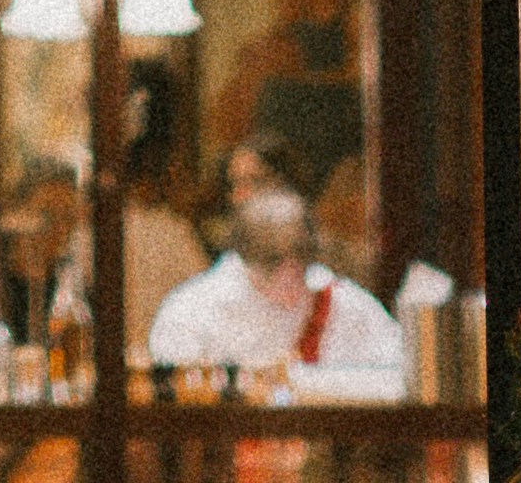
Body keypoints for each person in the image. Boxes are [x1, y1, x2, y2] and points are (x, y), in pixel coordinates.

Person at [145, 165, 407, 390]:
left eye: (300, 266)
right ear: (244, 259)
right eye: (272, 265)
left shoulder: (344, 301)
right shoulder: (191, 311)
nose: (289, 281)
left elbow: (399, 374)